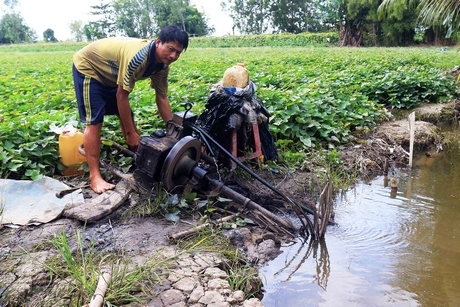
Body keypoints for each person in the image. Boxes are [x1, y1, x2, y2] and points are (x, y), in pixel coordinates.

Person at [72, 25, 189, 194]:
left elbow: (162, 98)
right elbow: (122, 96)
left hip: (111, 73)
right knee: (95, 121)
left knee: (128, 115)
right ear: (158, 42)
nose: (173, 56)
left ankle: (137, 156)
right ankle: (94, 177)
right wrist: (129, 133)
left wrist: (175, 133)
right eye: (170, 49)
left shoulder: (162, 66)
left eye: (178, 52)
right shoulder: (138, 58)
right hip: (90, 68)